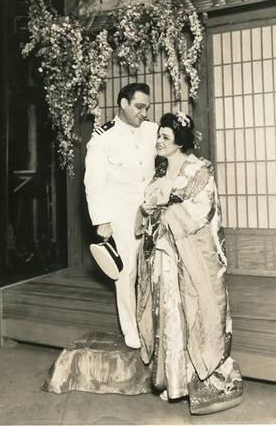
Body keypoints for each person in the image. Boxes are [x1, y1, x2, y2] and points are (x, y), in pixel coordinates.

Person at [136, 111, 243, 415]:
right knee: (168, 312)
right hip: (162, 255)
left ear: (179, 142)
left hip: (190, 255)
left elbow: (202, 209)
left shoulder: (199, 171)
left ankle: (196, 379)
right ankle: (174, 381)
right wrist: (147, 210)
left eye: (165, 137)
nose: (158, 141)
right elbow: (147, 207)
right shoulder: (159, 172)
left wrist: (165, 211)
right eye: (159, 135)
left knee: (192, 312)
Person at [84, 83, 158, 349]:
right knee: (127, 273)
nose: (143, 112)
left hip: (151, 213)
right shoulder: (103, 138)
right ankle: (131, 330)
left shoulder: (152, 130)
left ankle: (153, 323)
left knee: (155, 269)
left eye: (146, 107)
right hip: (122, 217)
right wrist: (102, 221)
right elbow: (93, 182)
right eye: (139, 107)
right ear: (123, 104)